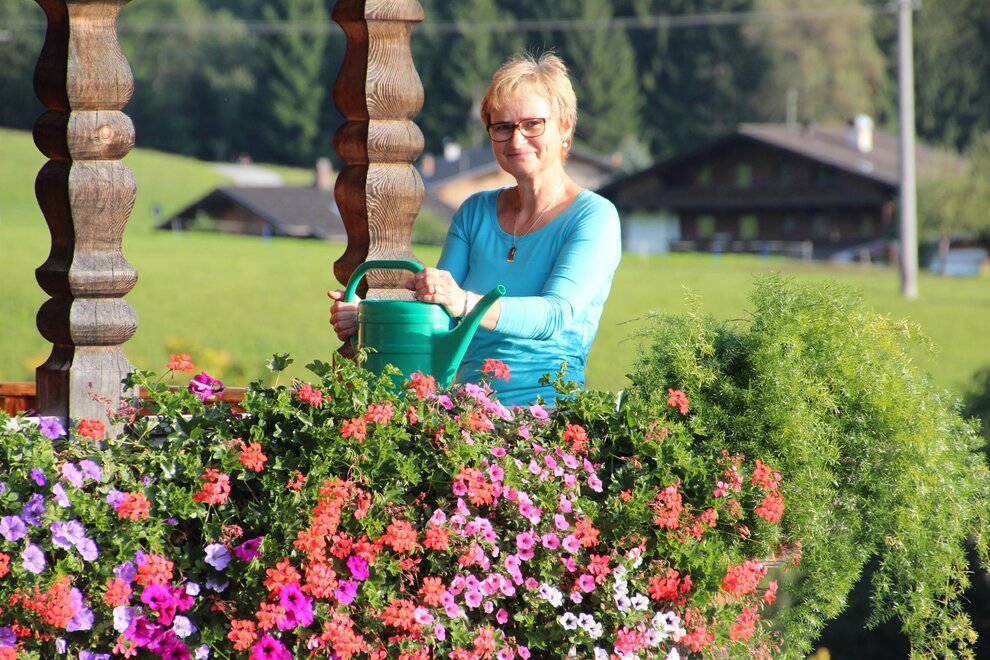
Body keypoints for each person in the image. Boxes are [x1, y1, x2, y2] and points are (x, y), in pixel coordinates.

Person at [329, 52, 621, 406]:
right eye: (503, 127)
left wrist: (464, 302)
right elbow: (438, 313)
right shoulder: (475, 212)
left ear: (565, 126)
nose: (516, 140)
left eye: (532, 124)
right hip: (466, 415)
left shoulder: (594, 217)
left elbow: (554, 315)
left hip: (546, 416)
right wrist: (369, 317)